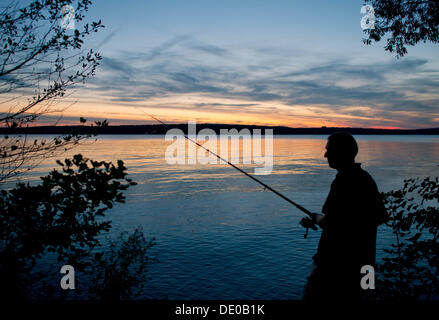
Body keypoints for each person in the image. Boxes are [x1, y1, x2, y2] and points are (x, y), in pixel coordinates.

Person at [302, 132, 388, 300]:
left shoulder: (344, 181)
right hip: (366, 264)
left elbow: (332, 224)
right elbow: (380, 217)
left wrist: (317, 218)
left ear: (342, 152)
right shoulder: (365, 178)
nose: (325, 154)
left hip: (334, 266)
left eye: (329, 150)